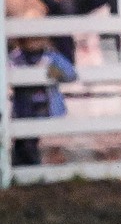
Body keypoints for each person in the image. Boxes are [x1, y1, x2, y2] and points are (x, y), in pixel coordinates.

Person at [9, 30, 78, 166]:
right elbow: (7, 73)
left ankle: (40, 170)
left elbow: (71, 74)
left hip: (46, 107)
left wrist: (53, 72)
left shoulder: (51, 57)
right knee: (25, 140)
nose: (34, 41)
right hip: (24, 108)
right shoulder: (16, 58)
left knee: (48, 142)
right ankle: (27, 168)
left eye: (38, 37)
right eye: (30, 37)